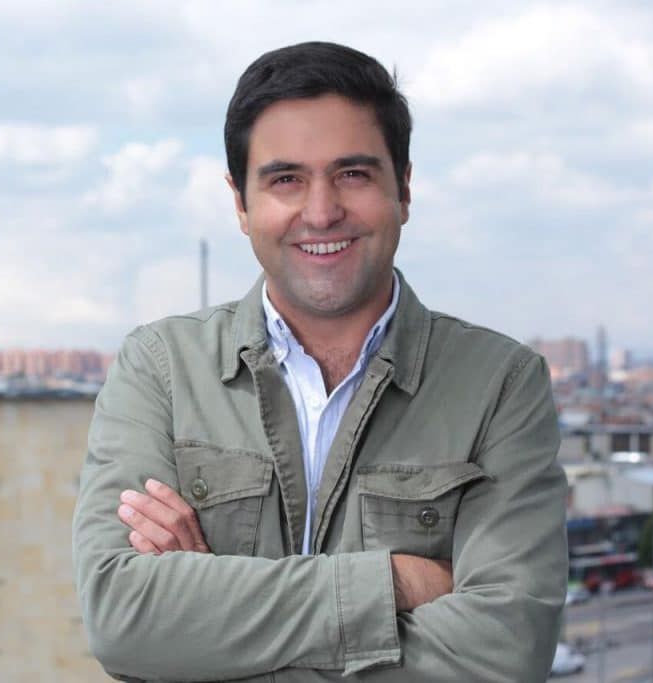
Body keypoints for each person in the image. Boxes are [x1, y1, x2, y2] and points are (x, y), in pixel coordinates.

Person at [72, 41, 568, 682]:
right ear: (240, 203)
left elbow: (503, 653)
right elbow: (122, 619)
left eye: (353, 174)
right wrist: (393, 583)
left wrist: (208, 635)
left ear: (404, 188)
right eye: (286, 179)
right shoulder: (161, 368)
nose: (322, 211)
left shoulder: (500, 385)